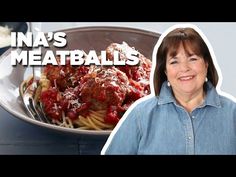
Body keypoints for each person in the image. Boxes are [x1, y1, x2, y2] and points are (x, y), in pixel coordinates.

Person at [101, 24, 236, 155]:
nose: (184, 68)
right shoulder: (141, 115)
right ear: (165, 70)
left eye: (193, 59)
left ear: (206, 63)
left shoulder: (232, 113)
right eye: (174, 61)